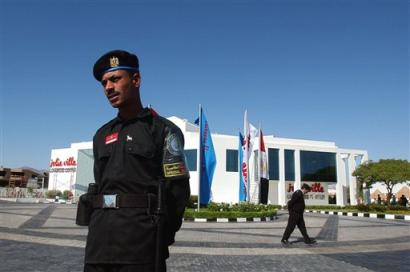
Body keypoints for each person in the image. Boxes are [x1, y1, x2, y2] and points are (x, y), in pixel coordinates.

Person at [79, 49, 191, 272]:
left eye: (115, 79)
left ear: (136, 80)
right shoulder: (101, 135)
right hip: (99, 245)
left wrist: (161, 237)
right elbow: (101, 184)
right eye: (104, 83)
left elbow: (177, 191)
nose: (108, 88)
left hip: (142, 243)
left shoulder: (163, 130)